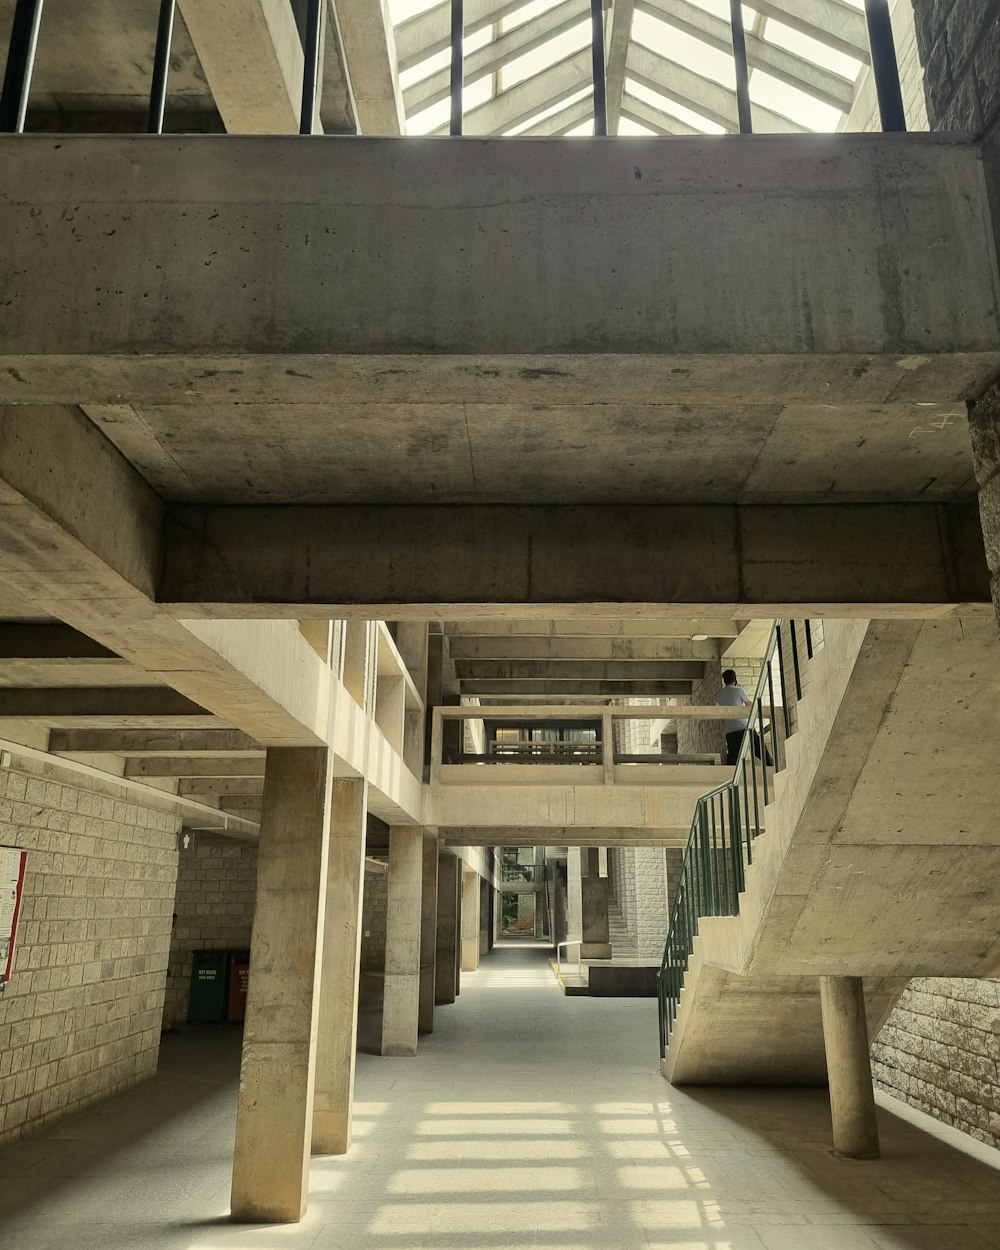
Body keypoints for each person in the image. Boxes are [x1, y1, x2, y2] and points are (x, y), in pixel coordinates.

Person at [717, 669, 772, 767]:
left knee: (734, 757)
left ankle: (730, 778)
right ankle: (772, 768)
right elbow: (750, 705)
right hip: (743, 727)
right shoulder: (738, 690)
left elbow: (720, 714)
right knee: (760, 750)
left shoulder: (719, 694)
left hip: (729, 731)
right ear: (735, 680)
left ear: (724, 681)